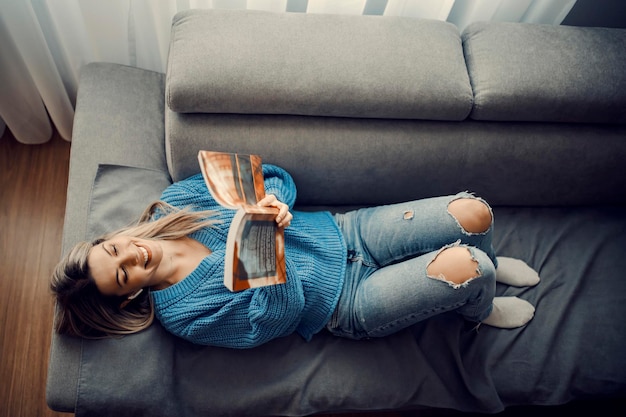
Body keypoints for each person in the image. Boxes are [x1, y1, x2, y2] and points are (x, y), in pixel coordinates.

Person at [51, 164, 539, 348]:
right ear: (129, 293)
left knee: (473, 212)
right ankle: (482, 307)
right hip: (344, 303)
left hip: (347, 232)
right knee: (471, 270)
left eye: (115, 249)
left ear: (111, 236)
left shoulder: (177, 200)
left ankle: (484, 259)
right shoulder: (181, 316)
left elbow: (272, 176)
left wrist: (275, 205)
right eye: (122, 274)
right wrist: (265, 258)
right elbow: (273, 321)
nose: (133, 257)